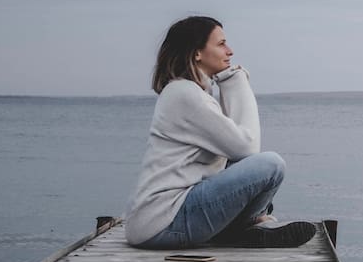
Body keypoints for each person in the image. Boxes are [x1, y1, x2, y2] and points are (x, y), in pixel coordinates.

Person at [124, 16, 315, 249]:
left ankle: (250, 224)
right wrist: (236, 80)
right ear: (197, 53)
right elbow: (247, 147)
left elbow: (236, 151)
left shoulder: (189, 93)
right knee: (271, 165)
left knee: (249, 171)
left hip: (158, 221)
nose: (230, 51)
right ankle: (249, 225)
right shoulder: (185, 94)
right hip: (164, 223)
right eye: (221, 43)